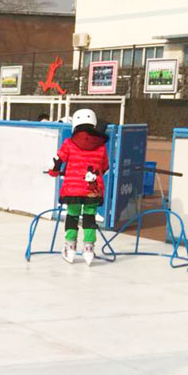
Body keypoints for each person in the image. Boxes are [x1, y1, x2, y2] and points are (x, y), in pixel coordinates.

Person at [49, 109, 110, 266]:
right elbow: (105, 167)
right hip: (93, 189)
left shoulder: (69, 143)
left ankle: (70, 248)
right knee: (90, 218)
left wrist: (54, 172)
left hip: (73, 189)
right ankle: (88, 249)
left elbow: (57, 160)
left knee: (72, 216)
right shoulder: (101, 146)